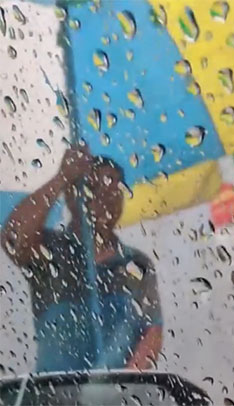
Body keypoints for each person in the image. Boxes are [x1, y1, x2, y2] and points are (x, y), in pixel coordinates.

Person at [1, 145, 163, 372]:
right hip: (55, 389)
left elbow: (152, 331)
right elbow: (13, 238)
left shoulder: (136, 263)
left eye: (115, 188)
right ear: (71, 197)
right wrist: (62, 178)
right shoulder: (49, 251)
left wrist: (122, 382)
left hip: (118, 391)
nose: (106, 197)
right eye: (94, 188)